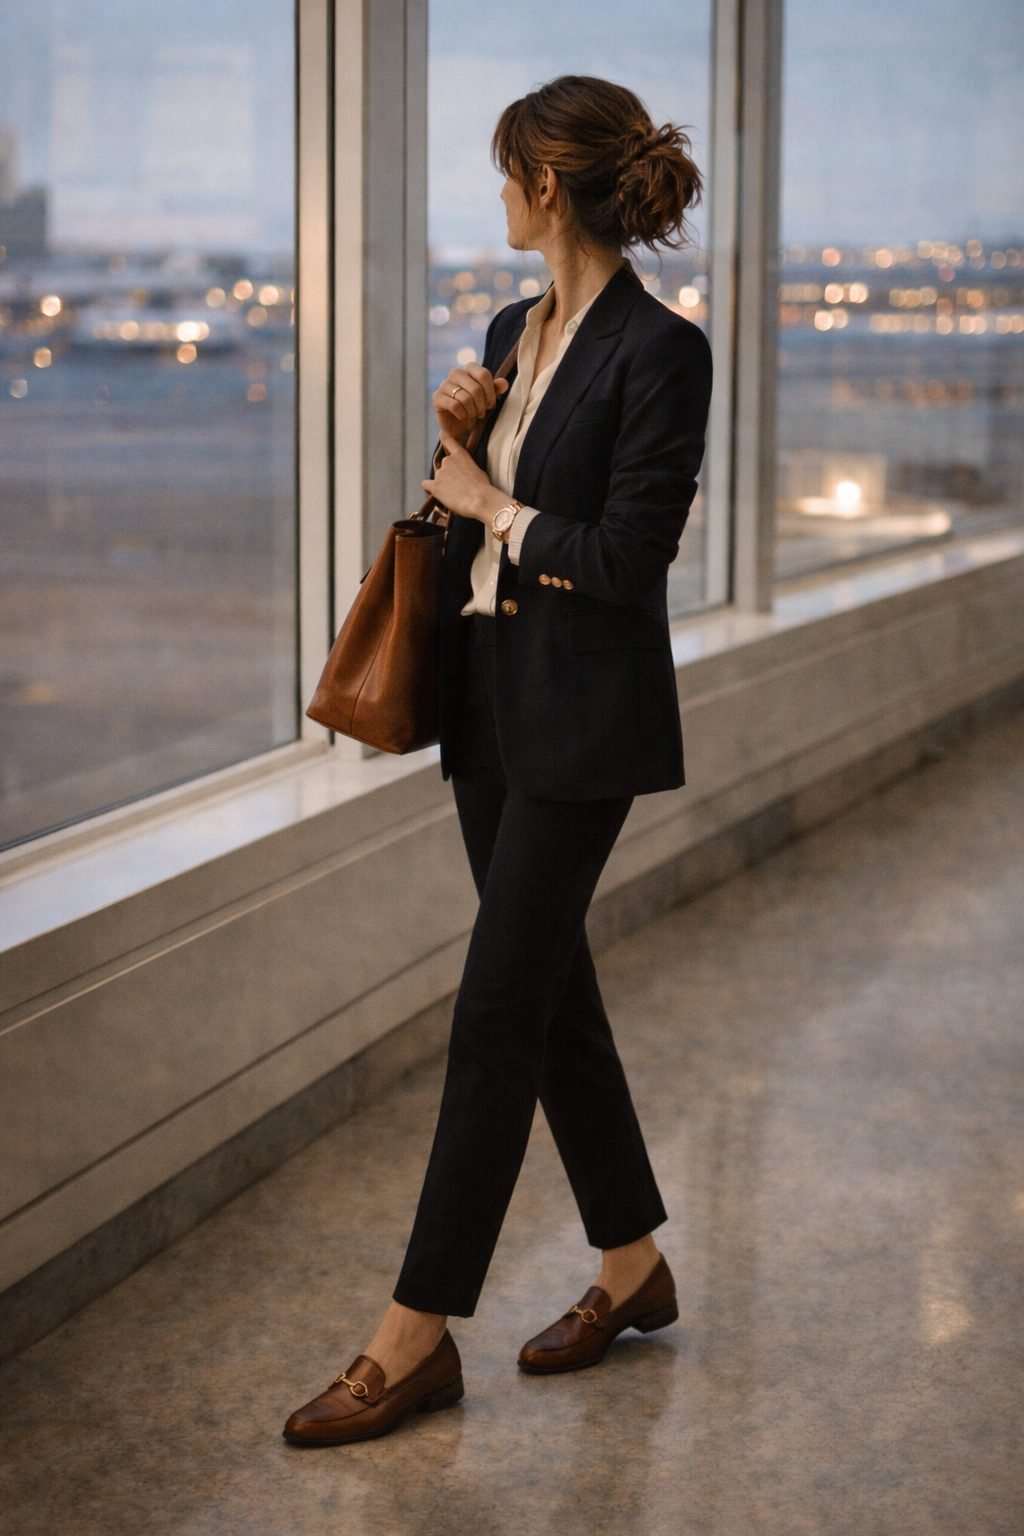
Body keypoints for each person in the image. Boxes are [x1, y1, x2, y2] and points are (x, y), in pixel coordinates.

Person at [284, 74, 713, 1446]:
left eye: (507, 172)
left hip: (585, 722)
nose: (501, 195)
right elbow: (468, 531)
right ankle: (633, 1268)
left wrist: (496, 500)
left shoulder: (662, 351)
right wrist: (457, 449)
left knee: (492, 1014)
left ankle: (414, 1339)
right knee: (551, 996)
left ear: (549, 184)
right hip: (488, 706)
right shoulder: (513, 327)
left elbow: (631, 563)